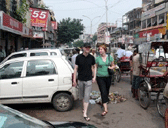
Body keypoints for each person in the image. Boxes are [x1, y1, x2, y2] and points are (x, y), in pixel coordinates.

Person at [73, 43, 96, 121]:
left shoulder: (92, 57)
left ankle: (85, 113)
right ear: (83, 48)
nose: (87, 49)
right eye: (86, 47)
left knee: (86, 96)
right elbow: (76, 69)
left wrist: (94, 77)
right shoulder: (78, 57)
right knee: (82, 96)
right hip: (80, 79)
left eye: (89, 47)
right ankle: (84, 108)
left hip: (89, 80)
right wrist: (74, 80)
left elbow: (93, 67)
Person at [94, 44, 115, 116]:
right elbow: (95, 67)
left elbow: (113, 65)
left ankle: (104, 101)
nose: (100, 51)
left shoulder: (110, 57)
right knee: (103, 91)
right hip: (100, 77)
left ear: (104, 50)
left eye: (101, 49)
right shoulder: (97, 59)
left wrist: (111, 68)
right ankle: (105, 109)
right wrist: (94, 76)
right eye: (99, 49)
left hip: (108, 77)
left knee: (106, 91)